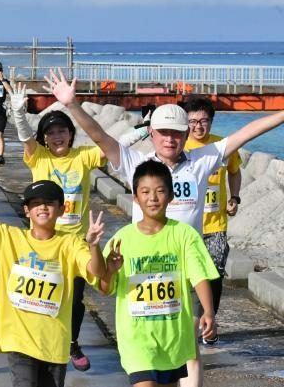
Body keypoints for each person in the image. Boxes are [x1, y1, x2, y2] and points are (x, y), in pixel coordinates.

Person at [44, 68, 284, 387]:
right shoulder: (136, 164)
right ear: (152, 133)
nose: (170, 139)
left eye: (177, 133)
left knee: (190, 348)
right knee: (149, 353)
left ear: (186, 135)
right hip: (142, 268)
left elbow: (246, 133)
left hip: (186, 265)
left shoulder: (202, 159)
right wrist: (72, 105)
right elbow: (102, 137)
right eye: (163, 132)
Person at [0, 173, 106, 387]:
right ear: (26, 210)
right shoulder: (8, 237)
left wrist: (93, 245)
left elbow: (96, 271)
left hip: (54, 343)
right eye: (36, 203)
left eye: (49, 203)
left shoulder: (71, 244)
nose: (42, 207)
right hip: (19, 339)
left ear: (62, 209)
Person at [9, 81, 107, 371]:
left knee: (75, 298)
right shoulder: (38, 157)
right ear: (44, 138)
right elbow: (26, 139)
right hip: (43, 241)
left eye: (62, 131)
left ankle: (71, 342)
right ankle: (40, 341)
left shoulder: (83, 157)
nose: (57, 136)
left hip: (75, 242)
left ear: (71, 134)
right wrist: (18, 113)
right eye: (50, 132)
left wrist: (144, 129)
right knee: (43, 294)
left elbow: (107, 142)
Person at [98, 160, 219, 387]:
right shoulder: (121, 240)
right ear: (135, 197)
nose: (153, 198)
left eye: (160, 191)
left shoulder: (184, 235)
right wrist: (110, 272)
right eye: (145, 192)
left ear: (171, 195)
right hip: (136, 339)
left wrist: (209, 311)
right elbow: (105, 289)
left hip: (173, 337)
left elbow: (199, 275)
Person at [183, 96, 241, 343]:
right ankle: (188, 323)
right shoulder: (179, 147)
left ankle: (209, 322)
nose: (198, 127)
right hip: (186, 226)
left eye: (204, 121)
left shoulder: (223, 147)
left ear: (211, 122)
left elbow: (235, 172)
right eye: (193, 121)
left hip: (215, 226)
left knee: (214, 274)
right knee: (187, 276)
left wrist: (235, 198)